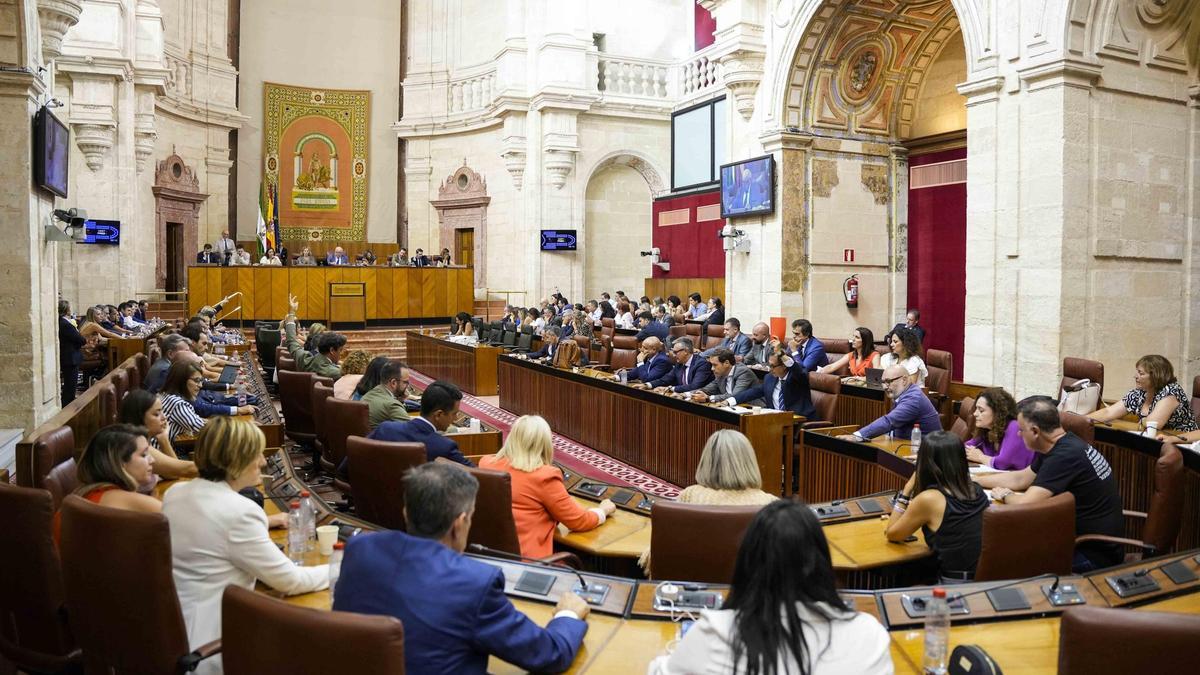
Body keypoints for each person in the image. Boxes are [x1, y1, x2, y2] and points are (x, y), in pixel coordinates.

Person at [333, 462, 589, 673]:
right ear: (460, 522)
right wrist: (568, 615)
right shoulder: (476, 583)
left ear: (406, 512)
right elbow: (548, 654)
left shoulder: (359, 548)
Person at [647, 499, 891, 675]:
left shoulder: (715, 633)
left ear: (747, 561)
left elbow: (658, 672)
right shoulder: (870, 635)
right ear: (821, 562)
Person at [164, 417, 328, 675]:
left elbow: (213, 535)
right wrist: (344, 567)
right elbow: (290, 581)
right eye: (257, 454)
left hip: (173, 631)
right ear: (236, 460)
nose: (263, 462)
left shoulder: (175, 494)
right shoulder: (240, 512)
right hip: (213, 646)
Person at [976, 397, 1124, 571]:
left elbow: (1025, 504)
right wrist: (974, 481)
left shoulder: (1064, 457)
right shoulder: (1061, 444)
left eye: (1021, 430)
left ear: (1035, 431)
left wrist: (1005, 495)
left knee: (1008, 562)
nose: (1018, 434)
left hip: (1092, 555)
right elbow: (1021, 479)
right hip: (1073, 540)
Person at [480, 415, 614, 558]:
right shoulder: (544, 476)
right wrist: (602, 511)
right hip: (530, 564)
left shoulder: (486, 463)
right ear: (545, 444)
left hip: (489, 558)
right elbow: (579, 521)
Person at [886, 431, 988, 583]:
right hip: (985, 579)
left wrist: (907, 490)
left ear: (925, 463)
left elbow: (892, 534)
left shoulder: (929, 499)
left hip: (955, 584)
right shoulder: (977, 490)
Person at [52, 424, 162, 544]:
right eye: (144, 455)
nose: (152, 460)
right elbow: (180, 524)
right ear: (119, 462)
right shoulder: (123, 499)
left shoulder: (83, 492)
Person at [366, 381, 472, 465]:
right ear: (438, 415)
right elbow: (478, 475)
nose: (455, 419)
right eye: (454, 414)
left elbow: (354, 458)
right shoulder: (444, 446)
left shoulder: (385, 428)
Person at [1088, 354, 1198, 433]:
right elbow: (1108, 412)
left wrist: (1141, 421)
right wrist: (1080, 421)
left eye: (1141, 373)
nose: (1135, 376)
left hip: (1181, 444)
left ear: (1155, 376)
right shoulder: (1139, 393)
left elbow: (1154, 424)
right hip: (1154, 441)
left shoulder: (1172, 391)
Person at [838, 365, 941, 442]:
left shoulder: (913, 399)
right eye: (883, 382)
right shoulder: (906, 392)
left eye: (889, 381)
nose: (885, 387)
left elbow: (889, 421)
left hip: (924, 455)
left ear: (904, 380)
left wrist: (857, 436)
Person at [118, 389, 197, 480]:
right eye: (156, 414)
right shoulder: (135, 444)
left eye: (162, 412)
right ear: (139, 417)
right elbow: (183, 470)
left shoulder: (142, 439)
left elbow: (171, 474)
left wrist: (163, 439)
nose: (164, 417)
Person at [730, 344, 816, 418]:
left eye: (773, 366)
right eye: (769, 366)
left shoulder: (797, 378)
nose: (770, 369)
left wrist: (781, 355)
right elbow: (753, 392)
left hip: (799, 421)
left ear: (784, 366)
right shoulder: (770, 378)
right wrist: (730, 401)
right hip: (775, 420)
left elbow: (798, 370)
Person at [964, 388, 1036, 471]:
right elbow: (966, 447)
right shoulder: (987, 430)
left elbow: (1002, 463)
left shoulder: (1014, 427)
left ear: (997, 412)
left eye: (981, 410)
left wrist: (980, 457)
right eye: (976, 409)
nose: (975, 414)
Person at [281, 295, 343, 379]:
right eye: (340, 350)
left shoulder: (304, 359)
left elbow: (291, 341)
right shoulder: (337, 372)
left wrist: (292, 312)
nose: (341, 353)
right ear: (331, 350)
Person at [693, 349, 761, 404]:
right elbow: (707, 389)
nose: (712, 369)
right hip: (734, 408)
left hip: (755, 410)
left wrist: (709, 398)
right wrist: (691, 394)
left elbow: (735, 396)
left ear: (726, 363)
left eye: (715, 365)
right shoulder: (721, 373)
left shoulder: (743, 372)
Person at [647, 337, 714, 393]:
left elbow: (695, 386)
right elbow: (666, 379)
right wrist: (648, 385)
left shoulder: (702, 364)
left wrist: (671, 389)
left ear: (686, 351)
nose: (673, 355)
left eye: (675, 352)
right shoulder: (679, 363)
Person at [361, 361, 413, 429]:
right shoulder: (392, 405)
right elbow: (412, 431)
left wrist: (400, 401)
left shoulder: (368, 395)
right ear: (393, 383)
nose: (408, 386)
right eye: (406, 382)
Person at [58, 300, 86, 405]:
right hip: (70, 357)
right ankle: (67, 407)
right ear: (66, 309)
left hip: (68, 356)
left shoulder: (62, 322)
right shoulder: (65, 324)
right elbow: (80, 339)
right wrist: (83, 340)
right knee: (70, 386)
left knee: (70, 385)